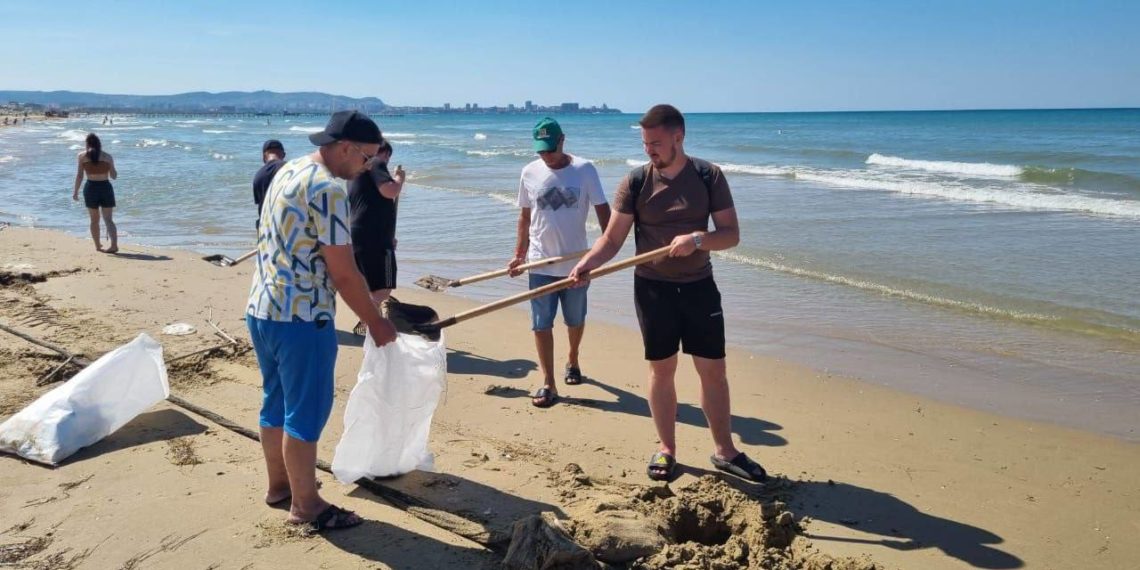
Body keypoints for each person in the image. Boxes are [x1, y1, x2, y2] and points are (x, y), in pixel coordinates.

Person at [569, 104, 767, 483]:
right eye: (645, 143)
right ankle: (667, 449)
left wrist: (697, 239)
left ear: (679, 137)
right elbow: (612, 239)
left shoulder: (709, 176)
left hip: (699, 288)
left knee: (714, 372)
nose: (649, 151)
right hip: (653, 289)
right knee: (662, 371)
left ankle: (725, 451)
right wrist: (587, 265)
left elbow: (731, 235)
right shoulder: (636, 182)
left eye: (656, 143)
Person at [246, 110, 398, 532]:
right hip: (302, 316)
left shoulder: (286, 169)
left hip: (262, 308)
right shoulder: (328, 190)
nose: (369, 167)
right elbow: (344, 272)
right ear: (346, 148)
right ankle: (307, 505)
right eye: (367, 158)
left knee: (274, 401)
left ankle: (280, 487)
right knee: (306, 412)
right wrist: (375, 321)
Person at [509, 117, 611, 408]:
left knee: (575, 319)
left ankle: (573, 358)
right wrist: (519, 254)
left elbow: (605, 213)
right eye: (541, 151)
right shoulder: (529, 172)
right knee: (541, 324)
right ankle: (548, 382)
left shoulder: (584, 170)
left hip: (577, 263)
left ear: (562, 141)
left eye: (550, 150)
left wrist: (604, 251)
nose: (546, 156)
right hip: (539, 263)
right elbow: (525, 217)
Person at [348, 138, 406, 336]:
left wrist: (387, 234)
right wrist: (399, 179)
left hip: (358, 234)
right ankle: (369, 318)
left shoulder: (355, 173)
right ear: (385, 153)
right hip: (374, 237)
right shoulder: (376, 163)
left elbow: (368, 204)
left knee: (370, 282)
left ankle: (372, 317)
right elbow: (390, 190)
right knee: (384, 285)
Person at [72, 133, 118, 253]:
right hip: (105, 187)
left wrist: (75, 192)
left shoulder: (82, 156)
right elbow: (114, 176)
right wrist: (109, 167)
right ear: (99, 144)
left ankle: (98, 246)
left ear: (87, 144)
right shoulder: (107, 156)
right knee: (108, 219)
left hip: (91, 187)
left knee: (94, 220)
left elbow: (80, 176)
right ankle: (114, 245)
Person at [252, 139, 286, 229]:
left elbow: (260, 204)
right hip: (287, 225)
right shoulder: (291, 169)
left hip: (266, 227)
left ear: (263, 157)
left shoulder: (258, 175)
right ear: (284, 155)